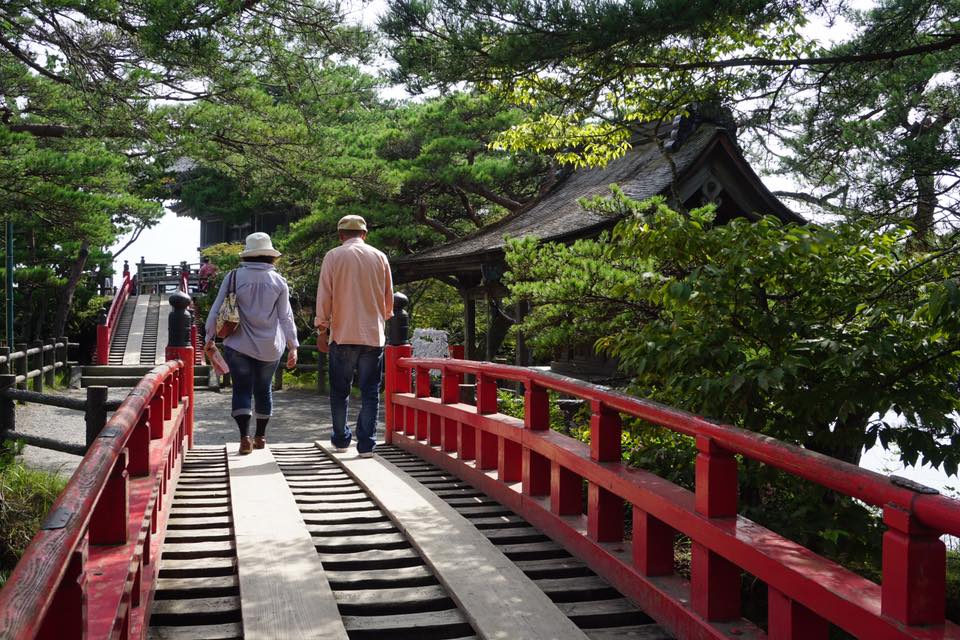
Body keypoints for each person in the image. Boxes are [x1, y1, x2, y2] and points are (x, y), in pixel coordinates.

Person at [205, 232, 299, 454]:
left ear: (247, 255)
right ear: (270, 256)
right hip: (270, 347)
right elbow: (286, 316)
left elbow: (217, 308)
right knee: (264, 389)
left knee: (242, 389)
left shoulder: (234, 277)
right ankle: (261, 437)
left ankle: (244, 438)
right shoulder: (279, 281)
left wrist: (209, 336)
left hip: (238, 344)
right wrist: (293, 345)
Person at [315, 215, 393, 457]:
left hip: (342, 333)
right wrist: (382, 317)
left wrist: (322, 327)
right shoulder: (380, 256)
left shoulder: (334, 256)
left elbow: (325, 295)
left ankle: (340, 439)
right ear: (364, 234)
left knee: (340, 391)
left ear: (341, 235)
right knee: (370, 391)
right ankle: (367, 444)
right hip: (372, 335)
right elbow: (388, 300)